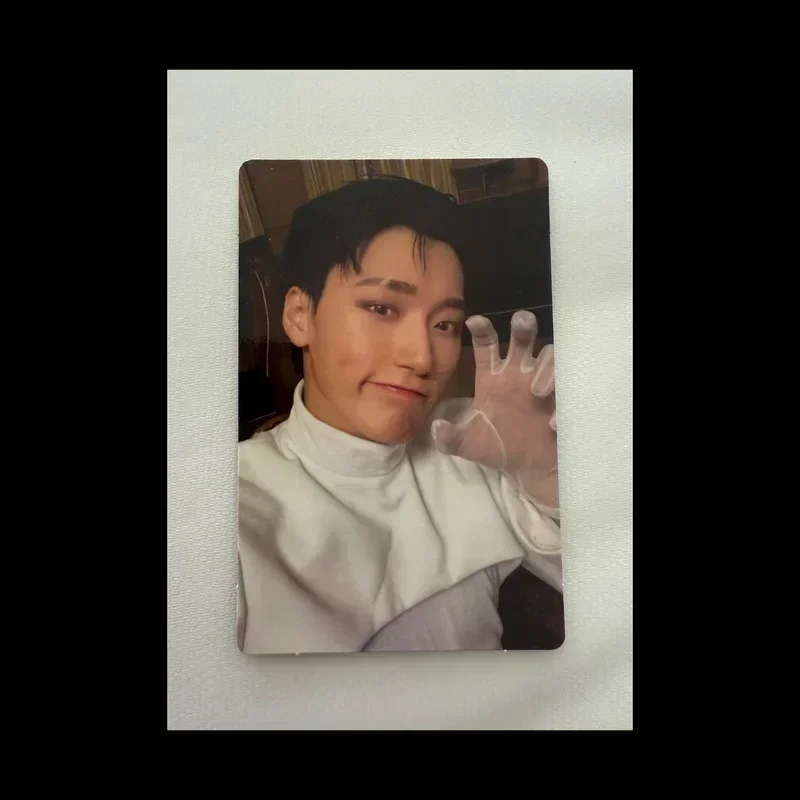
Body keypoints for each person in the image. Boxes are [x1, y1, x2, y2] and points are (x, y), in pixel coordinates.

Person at [237, 176, 561, 654]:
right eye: (382, 307)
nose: (422, 358)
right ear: (300, 316)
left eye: (444, 324)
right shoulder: (226, 511)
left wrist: (549, 480)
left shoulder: (475, 439)